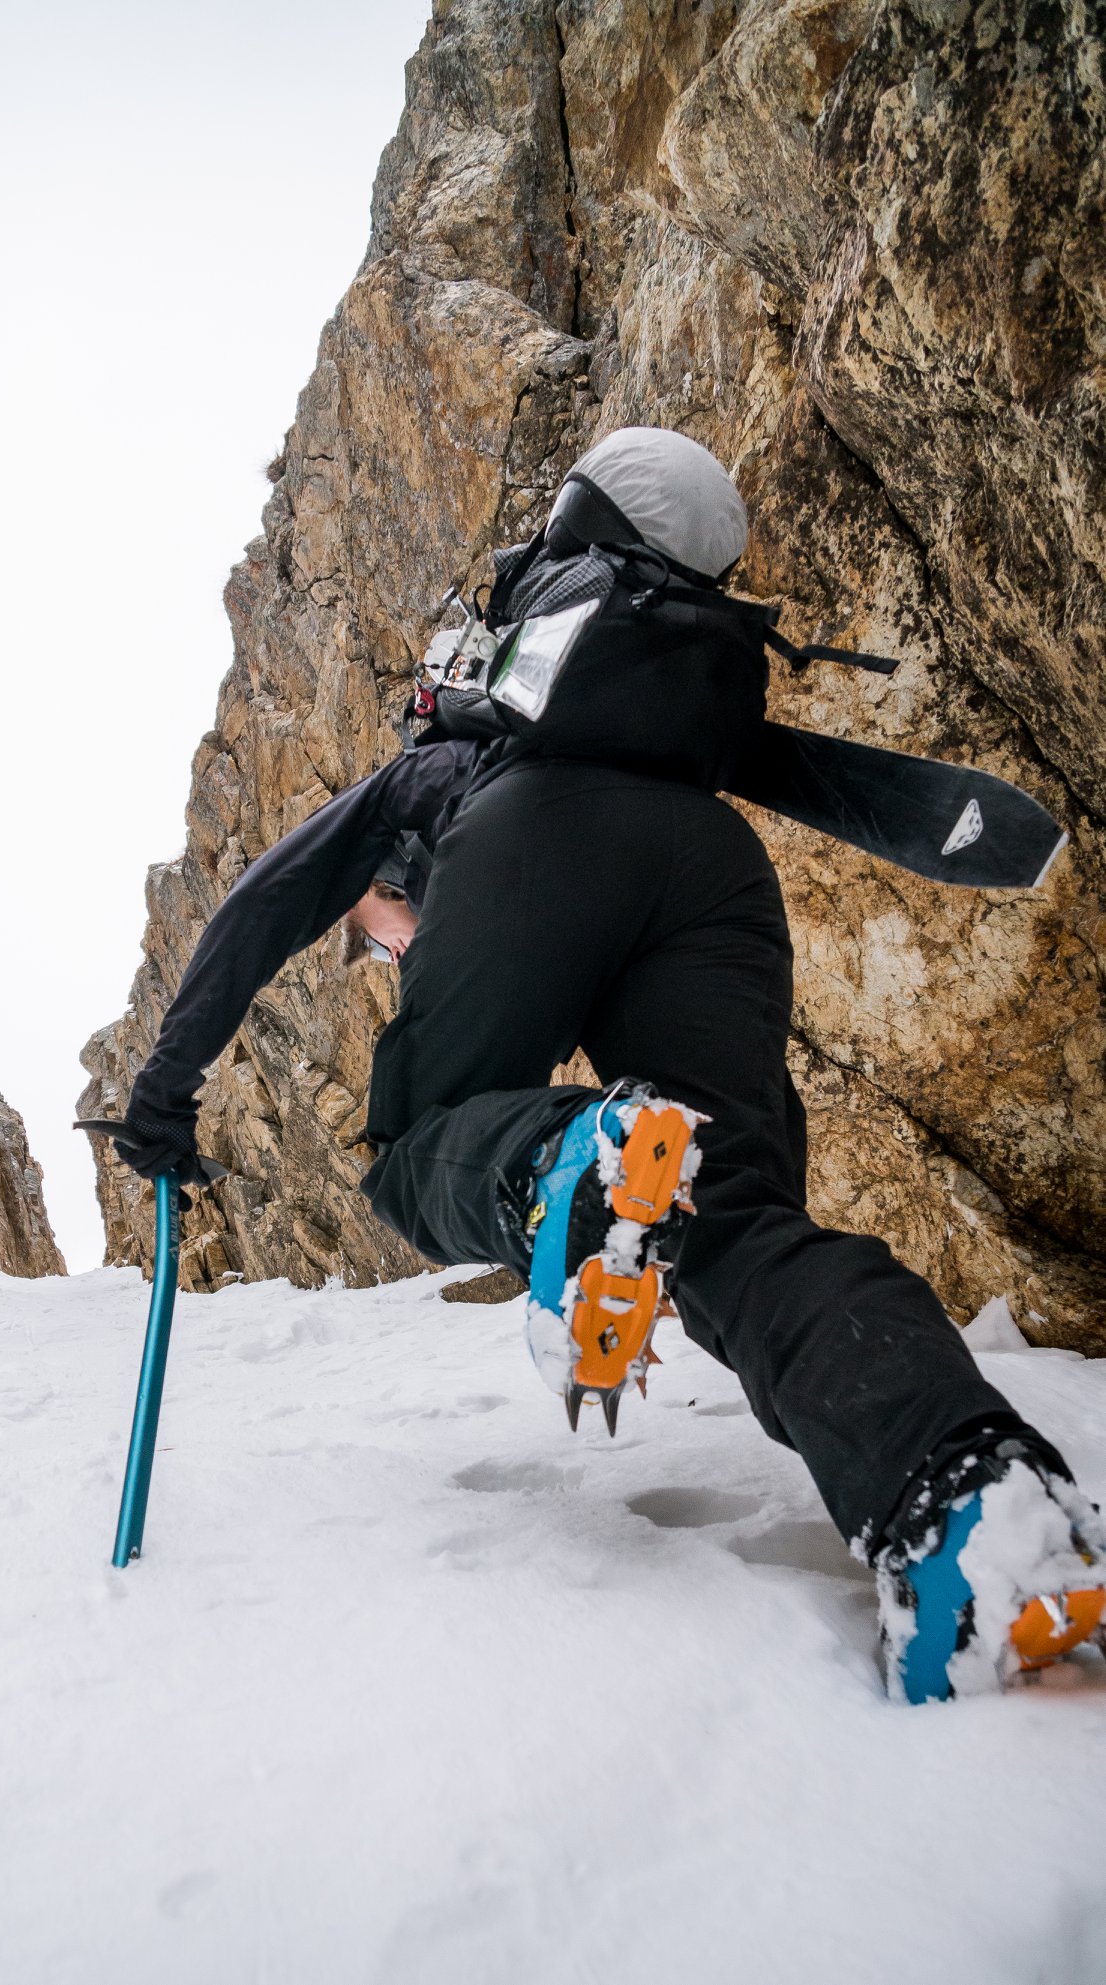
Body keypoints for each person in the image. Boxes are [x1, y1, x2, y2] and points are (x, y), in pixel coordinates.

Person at [100, 428, 1105, 1704]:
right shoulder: (690, 713)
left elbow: (269, 895)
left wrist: (162, 1089)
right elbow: (832, 784)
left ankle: (563, 1155)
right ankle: (970, 1497)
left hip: (533, 840)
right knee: (726, 1211)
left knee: (426, 1147)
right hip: (715, 871)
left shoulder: (464, 740)